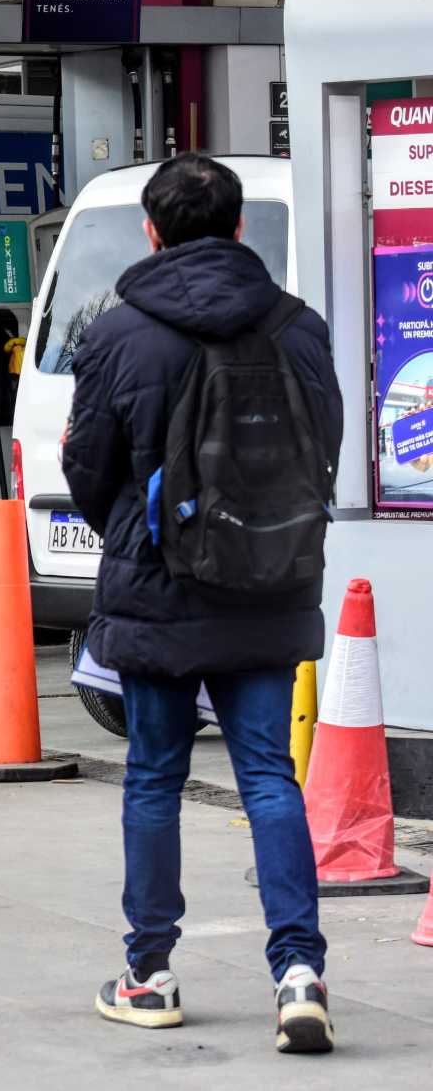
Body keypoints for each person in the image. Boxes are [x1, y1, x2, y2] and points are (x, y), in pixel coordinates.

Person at [61, 154, 342, 1054]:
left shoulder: (117, 334)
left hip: (160, 588)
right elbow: (326, 445)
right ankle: (300, 971)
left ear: (152, 232)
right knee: (268, 775)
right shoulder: (299, 328)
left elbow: (87, 466)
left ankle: (149, 973)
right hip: (270, 579)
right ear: (238, 230)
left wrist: (144, 527)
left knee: (153, 777)